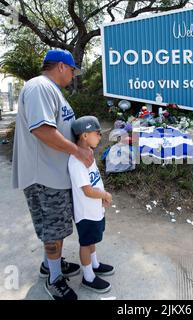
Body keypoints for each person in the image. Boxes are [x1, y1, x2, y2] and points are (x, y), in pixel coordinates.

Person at [12, 49, 94, 300]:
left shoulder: (51, 90)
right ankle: (54, 279)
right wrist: (78, 152)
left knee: (54, 228)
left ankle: (50, 264)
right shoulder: (39, 87)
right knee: (53, 230)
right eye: (72, 70)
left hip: (53, 174)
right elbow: (43, 130)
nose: (73, 75)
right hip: (43, 176)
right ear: (61, 66)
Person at [69, 116, 114, 293]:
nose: (100, 137)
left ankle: (94, 264)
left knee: (93, 239)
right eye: (97, 133)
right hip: (86, 212)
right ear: (85, 136)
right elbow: (87, 190)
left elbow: (94, 180)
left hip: (95, 208)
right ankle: (88, 277)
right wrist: (104, 194)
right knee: (86, 243)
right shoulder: (76, 161)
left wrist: (101, 197)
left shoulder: (88, 154)